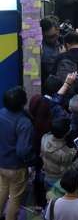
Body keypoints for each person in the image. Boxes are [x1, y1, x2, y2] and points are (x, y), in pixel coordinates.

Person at [0, 86, 35, 220]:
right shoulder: (24, 123)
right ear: (23, 102)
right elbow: (23, 150)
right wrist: (33, 160)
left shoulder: (1, 113)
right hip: (16, 167)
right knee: (15, 197)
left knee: (2, 189)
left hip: (1, 163)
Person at [40, 118, 78, 189]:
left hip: (46, 176)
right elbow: (69, 170)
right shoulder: (66, 153)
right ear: (67, 133)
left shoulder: (44, 138)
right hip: (58, 181)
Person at [41, 15, 61, 85]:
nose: (52, 39)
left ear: (58, 29)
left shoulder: (63, 40)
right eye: (47, 37)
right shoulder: (44, 52)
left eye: (54, 36)